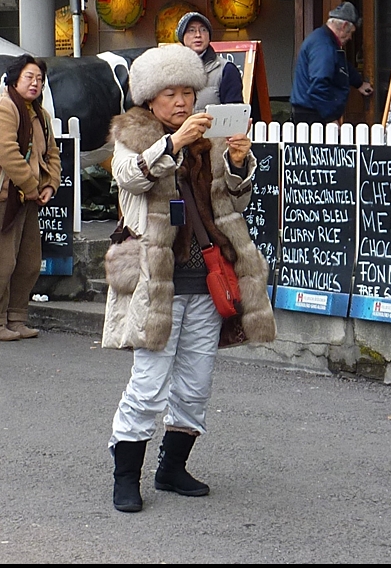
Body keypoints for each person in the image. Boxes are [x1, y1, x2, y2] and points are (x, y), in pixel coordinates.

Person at [102, 43, 276, 513]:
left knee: (196, 383)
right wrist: (174, 144)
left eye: (187, 92)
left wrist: (238, 161)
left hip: (206, 280)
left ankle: (172, 468)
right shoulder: (132, 137)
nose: (181, 102)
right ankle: (125, 476)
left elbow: (232, 202)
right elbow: (131, 178)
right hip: (155, 281)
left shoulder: (209, 139)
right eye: (169, 94)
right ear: (149, 99)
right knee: (149, 383)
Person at [0, 54, 62, 342]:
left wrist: (51, 184)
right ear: (14, 78)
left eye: (39, 79)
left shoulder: (40, 114)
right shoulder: (2, 108)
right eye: (29, 77)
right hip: (3, 197)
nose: (35, 83)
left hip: (27, 197)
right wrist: (33, 186)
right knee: (0, 262)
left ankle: (16, 317)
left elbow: (51, 154)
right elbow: (8, 155)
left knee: (28, 261)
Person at [289, 1, 373, 125]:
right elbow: (318, 86)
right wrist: (330, 118)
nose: (350, 38)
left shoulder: (324, 40)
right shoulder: (324, 46)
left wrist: (359, 83)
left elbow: (341, 65)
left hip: (312, 112)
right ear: (344, 26)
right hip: (313, 115)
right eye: (350, 33)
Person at [175, 11, 244, 110]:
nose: (198, 35)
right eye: (191, 30)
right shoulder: (172, 69)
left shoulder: (226, 69)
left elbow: (234, 113)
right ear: (182, 37)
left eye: (203, 30)